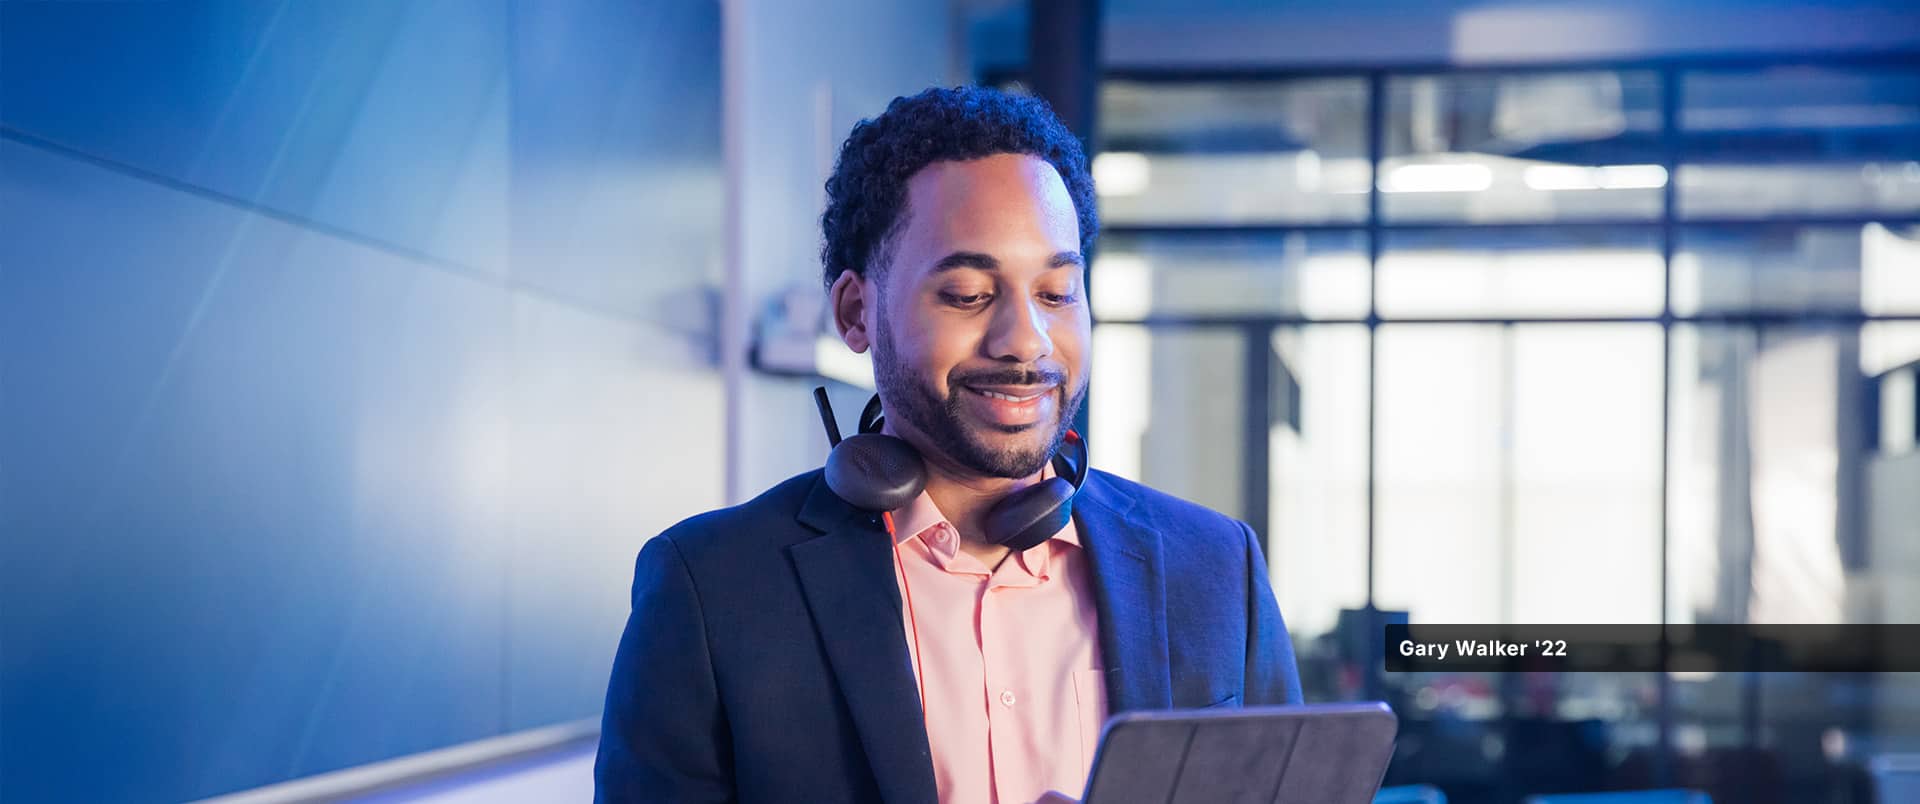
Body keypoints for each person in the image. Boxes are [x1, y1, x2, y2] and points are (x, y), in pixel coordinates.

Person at [594, 85, 1302, 804]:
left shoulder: (1216, 568)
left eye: (1057, 293)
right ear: (855, 311)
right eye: (967, 294)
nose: (1025, 340)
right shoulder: (711, 588)